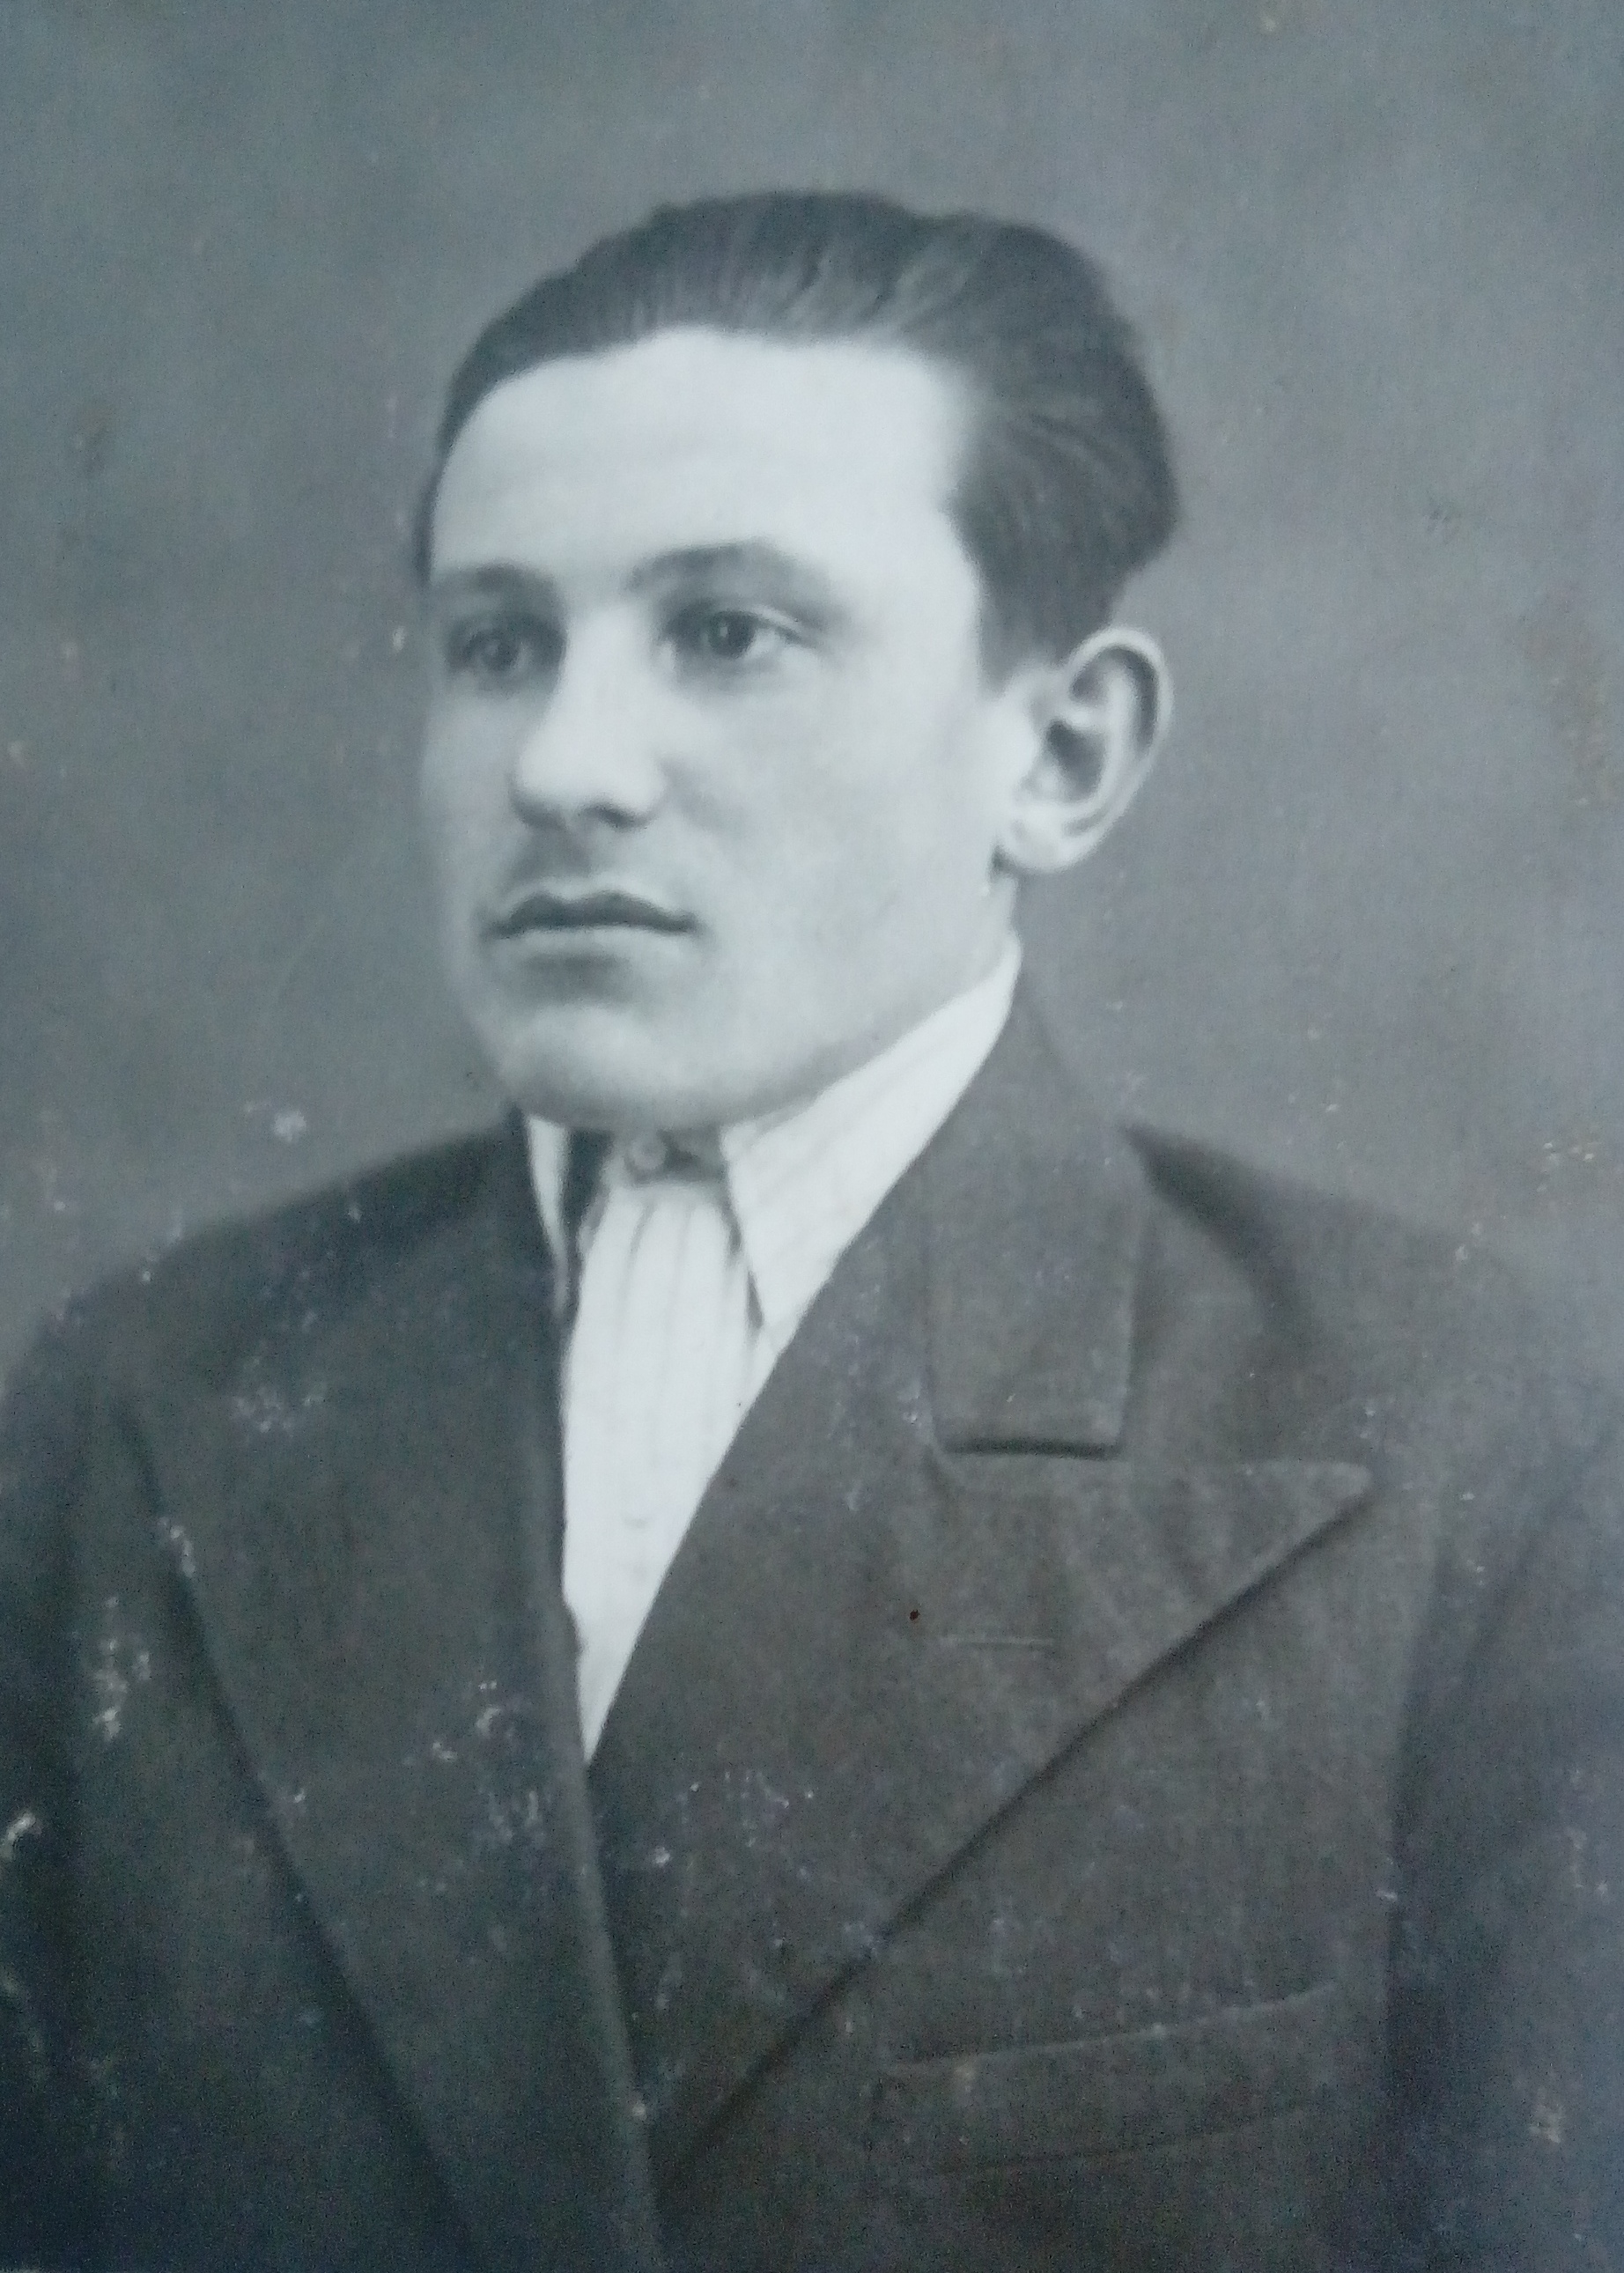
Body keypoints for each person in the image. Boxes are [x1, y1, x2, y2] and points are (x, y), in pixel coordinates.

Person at [2, 191, 1620, 2273]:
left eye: (727, 634)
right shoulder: (148, 1403)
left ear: (1060, 753)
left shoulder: (1456, 1439)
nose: (564, 765)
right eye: (498, 645)